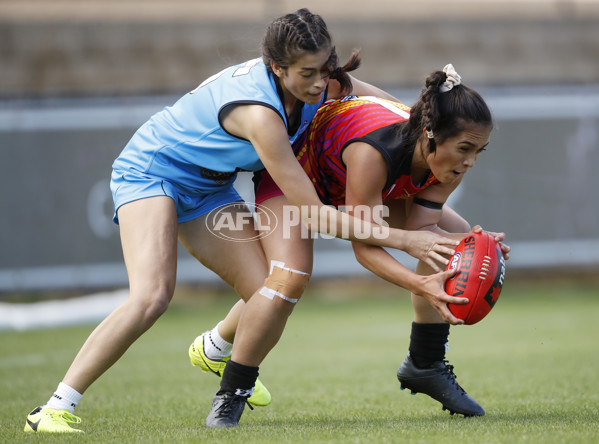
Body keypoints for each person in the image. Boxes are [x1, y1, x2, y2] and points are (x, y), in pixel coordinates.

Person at [23, 9, 458, 434]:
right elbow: (312, 212)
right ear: (276, 67)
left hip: (209, 187)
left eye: (325, 68)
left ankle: (215, 349)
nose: (320, 82)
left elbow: (396, 111)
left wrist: (442, 121)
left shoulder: (321, 83)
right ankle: (55, 407)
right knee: (153, 296)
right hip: (152, 172)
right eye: (307, 73)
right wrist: (406, 240)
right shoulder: (261, 115)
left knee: (271, 293)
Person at [194, 64, 510, 427]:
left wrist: (474, 246)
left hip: (350, 175)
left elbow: (424, 229)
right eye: (465, 149)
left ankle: (426, 362)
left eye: (478, 151)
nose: (470, 161)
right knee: (289, 278)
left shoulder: (447, 160)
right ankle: (231, 390)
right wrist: (420, 284)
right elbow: (365, 247)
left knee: (460, 235)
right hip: (299, 174)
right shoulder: (372, 153)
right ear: (430, 134)